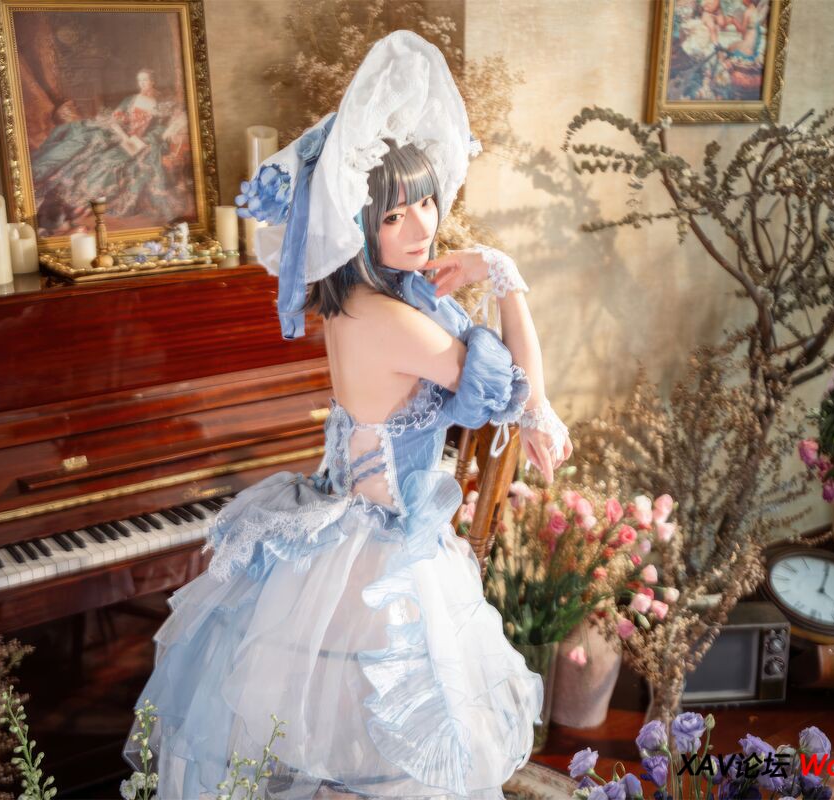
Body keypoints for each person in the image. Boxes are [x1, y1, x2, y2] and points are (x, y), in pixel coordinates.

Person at [124, 30, 572, 800]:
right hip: (381, 560)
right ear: (357, 224)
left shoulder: (365, 300)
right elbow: (517, 388)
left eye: (426, 200)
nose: (424, 225)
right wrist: (505, 274)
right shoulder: (389, 319)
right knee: (386, 760)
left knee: (356, 759)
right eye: (396, 215)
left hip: (366, 539)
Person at [31, 67, 184, 234]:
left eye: (145, 80)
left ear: (152, 81)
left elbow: (160, 129)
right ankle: (68, 208)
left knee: (109, 163)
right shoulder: (130, 99)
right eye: (140, 80)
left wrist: (144, 140)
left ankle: (79, 206)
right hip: (121, 136)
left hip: (140, 142)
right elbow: (115, 120)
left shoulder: (161, 103)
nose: (142, 84)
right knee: (89, 147)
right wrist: (123, 135)